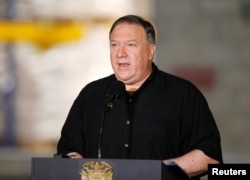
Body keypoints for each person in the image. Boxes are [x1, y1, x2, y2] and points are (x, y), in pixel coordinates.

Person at [56, 15, 223, 179]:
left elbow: (209, 156)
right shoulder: (91, 95)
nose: (120, 53)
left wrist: (157, 171)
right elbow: (68, 150)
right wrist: (77, 166)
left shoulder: (183, 95)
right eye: (114, 45)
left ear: (150, 51)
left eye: (130, 45)